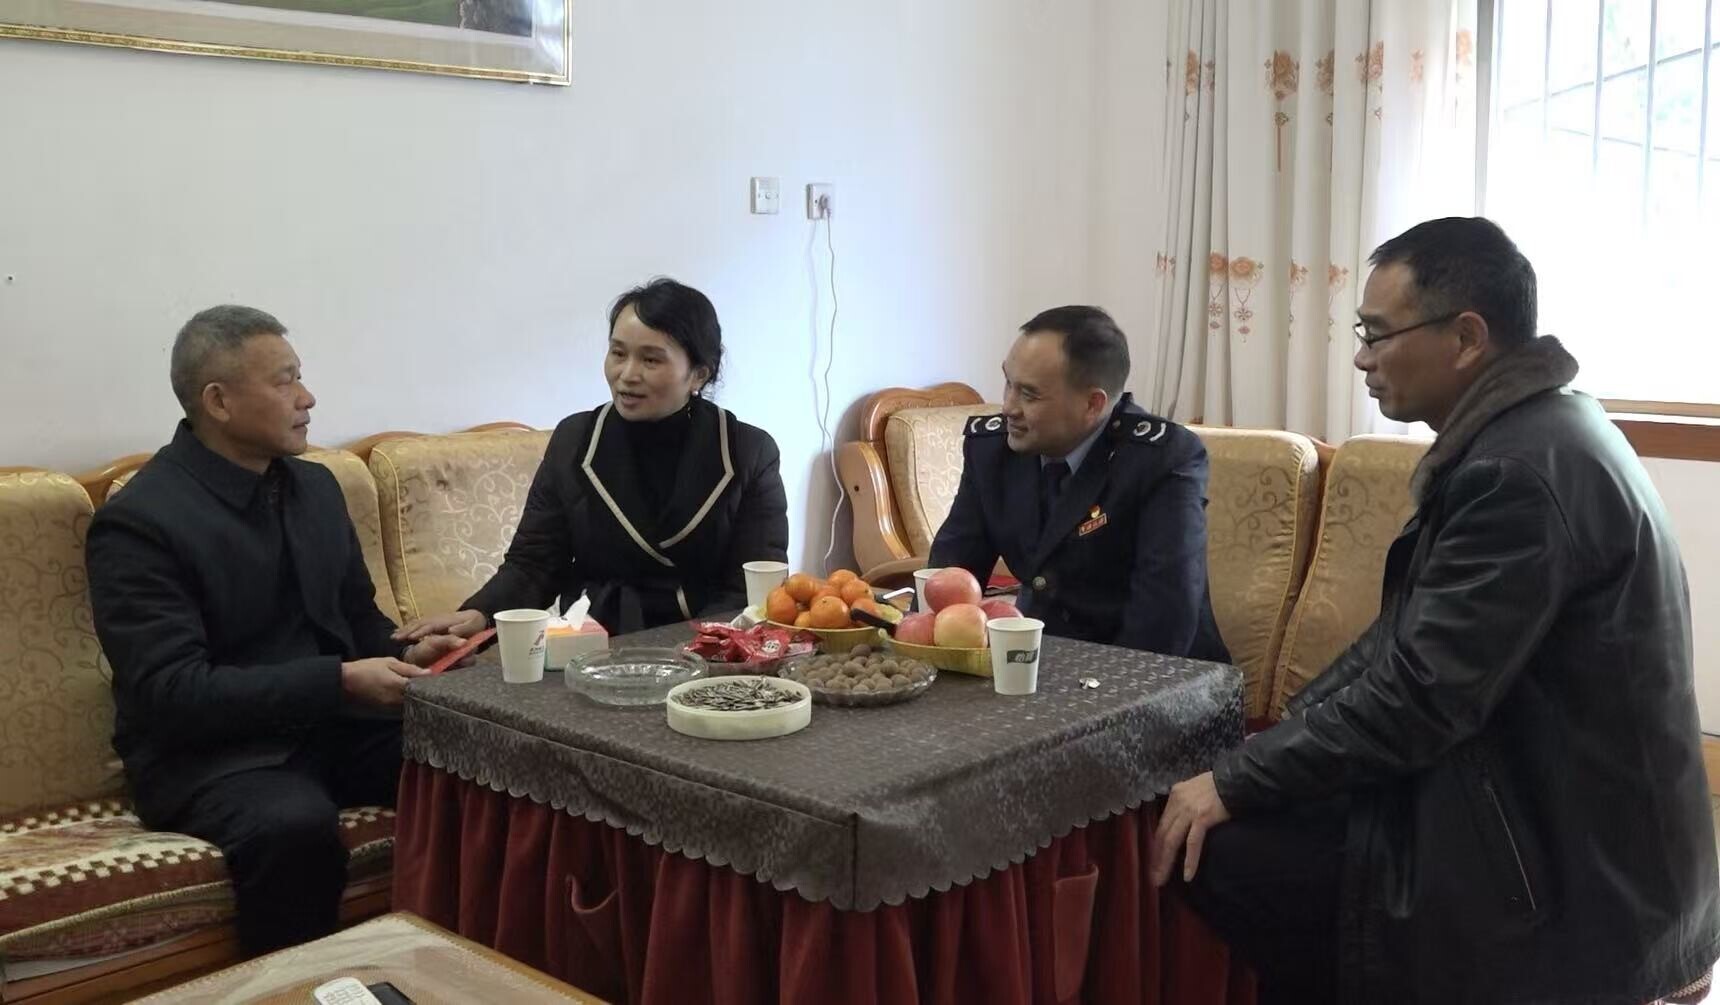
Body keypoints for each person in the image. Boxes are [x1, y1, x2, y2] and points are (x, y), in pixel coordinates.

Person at [1152, 218, 1720, 1004]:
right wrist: (1275, 744)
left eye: (1377, 334)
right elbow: (1402, 644)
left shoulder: (1516, 474)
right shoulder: (1543, 429)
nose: (1362, 357)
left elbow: (1419, 697)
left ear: (1466, 337)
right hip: (1557, 820)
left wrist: (1237, 780)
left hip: (1570, 877)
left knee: (1218, 851)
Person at [86, 305, 468, 955]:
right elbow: (171, 692)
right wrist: (340, 682)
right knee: (293, 826)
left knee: (475, 760)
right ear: (219, 401)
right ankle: (297, 989)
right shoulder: (140, 522)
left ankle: (457, 967)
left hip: (332, 726)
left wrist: (409, 651)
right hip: (212, 757)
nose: (307, 397)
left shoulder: (316, 488)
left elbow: (358, 622)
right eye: (285, 380)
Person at [398, 278, 789, 641]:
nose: (627, 374)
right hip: (592, 645)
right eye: (618, 353)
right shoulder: (576, 440)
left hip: (705, 648)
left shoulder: (746, 451)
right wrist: (480, 614)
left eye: (651, 360)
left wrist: (690, 652)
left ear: (698, 374)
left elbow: (753, 587)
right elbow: (534, 564)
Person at [927, 306, 1229, 661]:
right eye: (1008, 383)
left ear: (1092, 404)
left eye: (1029, 394)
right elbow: (950, 576)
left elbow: (1163, 619)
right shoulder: (992, 451)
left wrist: (1085, 691)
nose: (1008, 407)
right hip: (1036, 662)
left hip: (1158, 674)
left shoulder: (1159, 460)